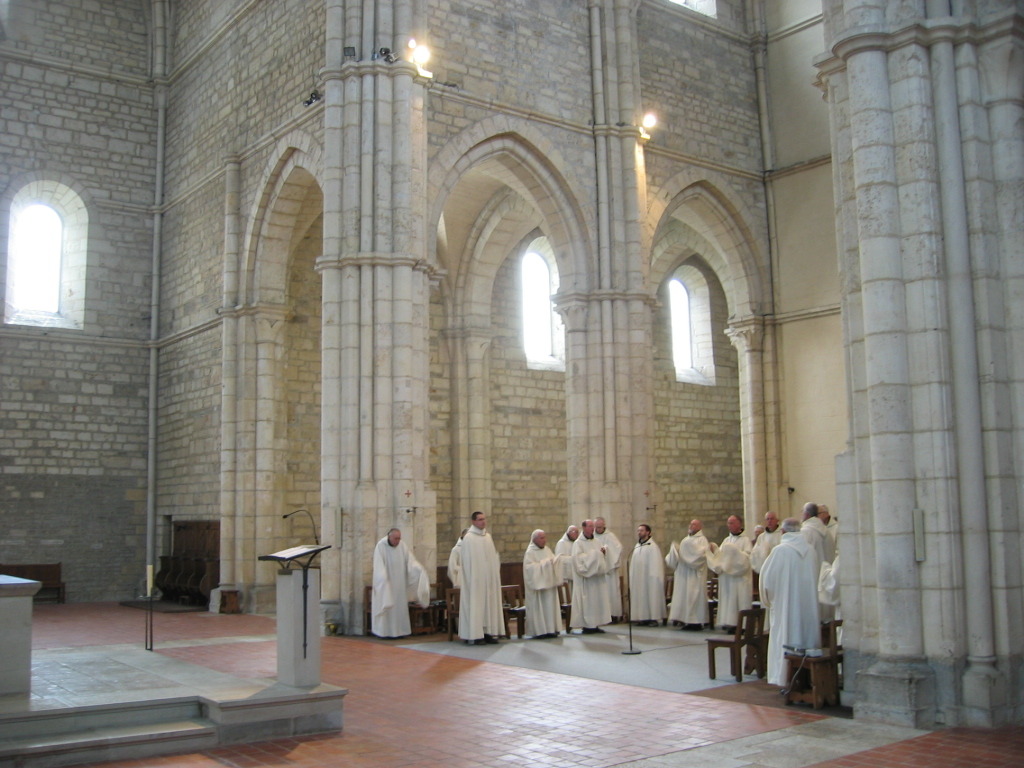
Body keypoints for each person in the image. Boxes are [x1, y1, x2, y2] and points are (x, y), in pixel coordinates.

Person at [758, 517, 822, 686]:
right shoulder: (811, 551)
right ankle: (808, 679)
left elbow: (768, 581)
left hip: (786, 607)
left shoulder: (780, 551)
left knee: (785, 636)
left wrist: (771, 600)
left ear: (783, 531)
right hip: (808, 608)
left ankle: (784, 677)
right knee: (805, 637)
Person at [370, 528, 430, 638]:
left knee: (399, 608)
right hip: (386, 584)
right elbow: (378, 566)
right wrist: (383, 579)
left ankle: (400, 632)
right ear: (389, 537)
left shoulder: (402, 546)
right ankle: (385, 632)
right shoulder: (381, 546)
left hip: (400, 585)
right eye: (396, 538)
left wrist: (418, 569)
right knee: (388, 607)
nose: (397, 541)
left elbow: (410, 562)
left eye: (399, 538)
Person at [458, 511, 504, 645]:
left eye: (484, 519)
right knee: (476, 606)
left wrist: (493, 575)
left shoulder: (488, 537)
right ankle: (475, 635)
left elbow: (492, 558)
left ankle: (488, 632)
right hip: (475, 581)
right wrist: (472, 579)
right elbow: (466, 562)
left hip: (488, 580)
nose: (483, 522)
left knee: (488, 606)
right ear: (473, 521)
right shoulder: (469, 538)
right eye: (480, 520)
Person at [707, 514, 753, 631]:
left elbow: (747, 558)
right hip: (727, 578)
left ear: (739, 524)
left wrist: (734, 552)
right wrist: (715, 550)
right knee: (729, 600)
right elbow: (721, 557)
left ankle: (741, 625)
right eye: (728, 523)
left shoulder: (745, 540)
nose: (729, 525)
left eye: (732, 523)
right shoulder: (726, 540)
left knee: (739, 600)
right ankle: (730, 623)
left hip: (740, 578)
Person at [570, 519, 613, 633]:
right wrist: (596, 554)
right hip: (586, 580)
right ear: (583, 528)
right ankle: (587, 626)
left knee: (597, 601)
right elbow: (578, 560)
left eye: (593, 526)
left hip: (597, 579)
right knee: (588, 603)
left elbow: (602, 556)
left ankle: (596, 624)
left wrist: (603, 553)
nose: (592, 529)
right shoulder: (578, 544)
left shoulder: (597, 541)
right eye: (590, 526)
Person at [666, 519, 709, 630]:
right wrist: (676, 550)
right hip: (683, 573)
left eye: (694, 524)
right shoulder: (686, 539)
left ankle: (695, 622)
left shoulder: (702, 540)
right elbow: (681, 554)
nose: (691, 526)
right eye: (690, 524)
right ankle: (684, 620)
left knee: (693, 597)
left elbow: (701, 555)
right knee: (684, 597)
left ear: (700, 527)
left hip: (694, 575)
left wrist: (685, 550)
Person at [522, 529, 563, 639]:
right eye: (541, 538)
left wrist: (554, 562)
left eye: (545, 537)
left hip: (548, 585)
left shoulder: (547, 550)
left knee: (550, 607)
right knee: (539, 608)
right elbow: (529, 569)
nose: (544, 540)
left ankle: (550, 629)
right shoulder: (530, 552)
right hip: (538, 589)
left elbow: (553, 561)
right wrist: (545, 564)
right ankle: (540, 631)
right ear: (534, 539)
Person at [628, 524, 666, 626]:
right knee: (641, 597)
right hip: (639, 579)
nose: (639, 532)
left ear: (648, 532)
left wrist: (653, 577)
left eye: (641, 530)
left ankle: (653, 619)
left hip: (649, 579)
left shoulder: (652, 547)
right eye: (638, 530)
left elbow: (656, 565)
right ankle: (642, 618)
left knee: (651, 596)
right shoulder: (637, 546)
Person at [594, 517, 624, 620]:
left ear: (604, 526)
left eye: (600, 527)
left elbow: (618, 548)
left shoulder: (610, 536)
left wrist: (606, 551)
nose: (598, 529)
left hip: (609, 572)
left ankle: (613, 615)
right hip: (597, 572)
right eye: (596, 527)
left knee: (611, 592)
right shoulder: (591, 537)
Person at [800, 502, 830, 568]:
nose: (801, 514)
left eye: (802, 511)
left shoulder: (805, 532)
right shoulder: (827, 530)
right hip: (826, 572)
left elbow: (802, 556)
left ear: (806, 514)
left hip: (813, 571)